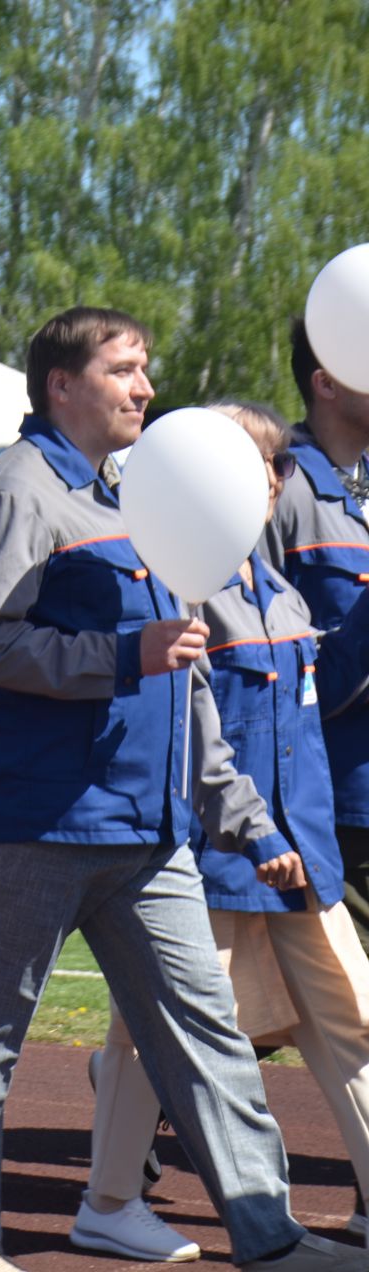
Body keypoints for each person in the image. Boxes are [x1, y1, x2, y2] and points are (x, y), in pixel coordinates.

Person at [0, 308, 353, 1271]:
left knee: (208, 1038)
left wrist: (236, 816)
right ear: (61, 386)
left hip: (150, 831)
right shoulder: (12, 494)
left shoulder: (131, 495)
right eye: (124, 371)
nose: (146, 388)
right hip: (45, 819)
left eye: (145, 369)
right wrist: (120, 654)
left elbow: (183, 677)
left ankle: (269, 1236)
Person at [76, 400, 369, 1263]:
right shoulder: (173, 591)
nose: (270, 478)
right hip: (215, 860)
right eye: (251, 462)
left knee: (350, 1020)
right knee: (149, 1033)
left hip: (297, 857)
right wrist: (246, 833)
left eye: (276, 465)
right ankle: (108, 1200)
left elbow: (311, 726)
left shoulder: (278, 594)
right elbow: (189, 739)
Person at [267, 319, 369, 960]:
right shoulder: (279, 487)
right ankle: (133, 1066)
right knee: (339, 1015)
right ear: (326, 382)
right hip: (337, 804)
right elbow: (269, 668)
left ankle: (132, 1066)